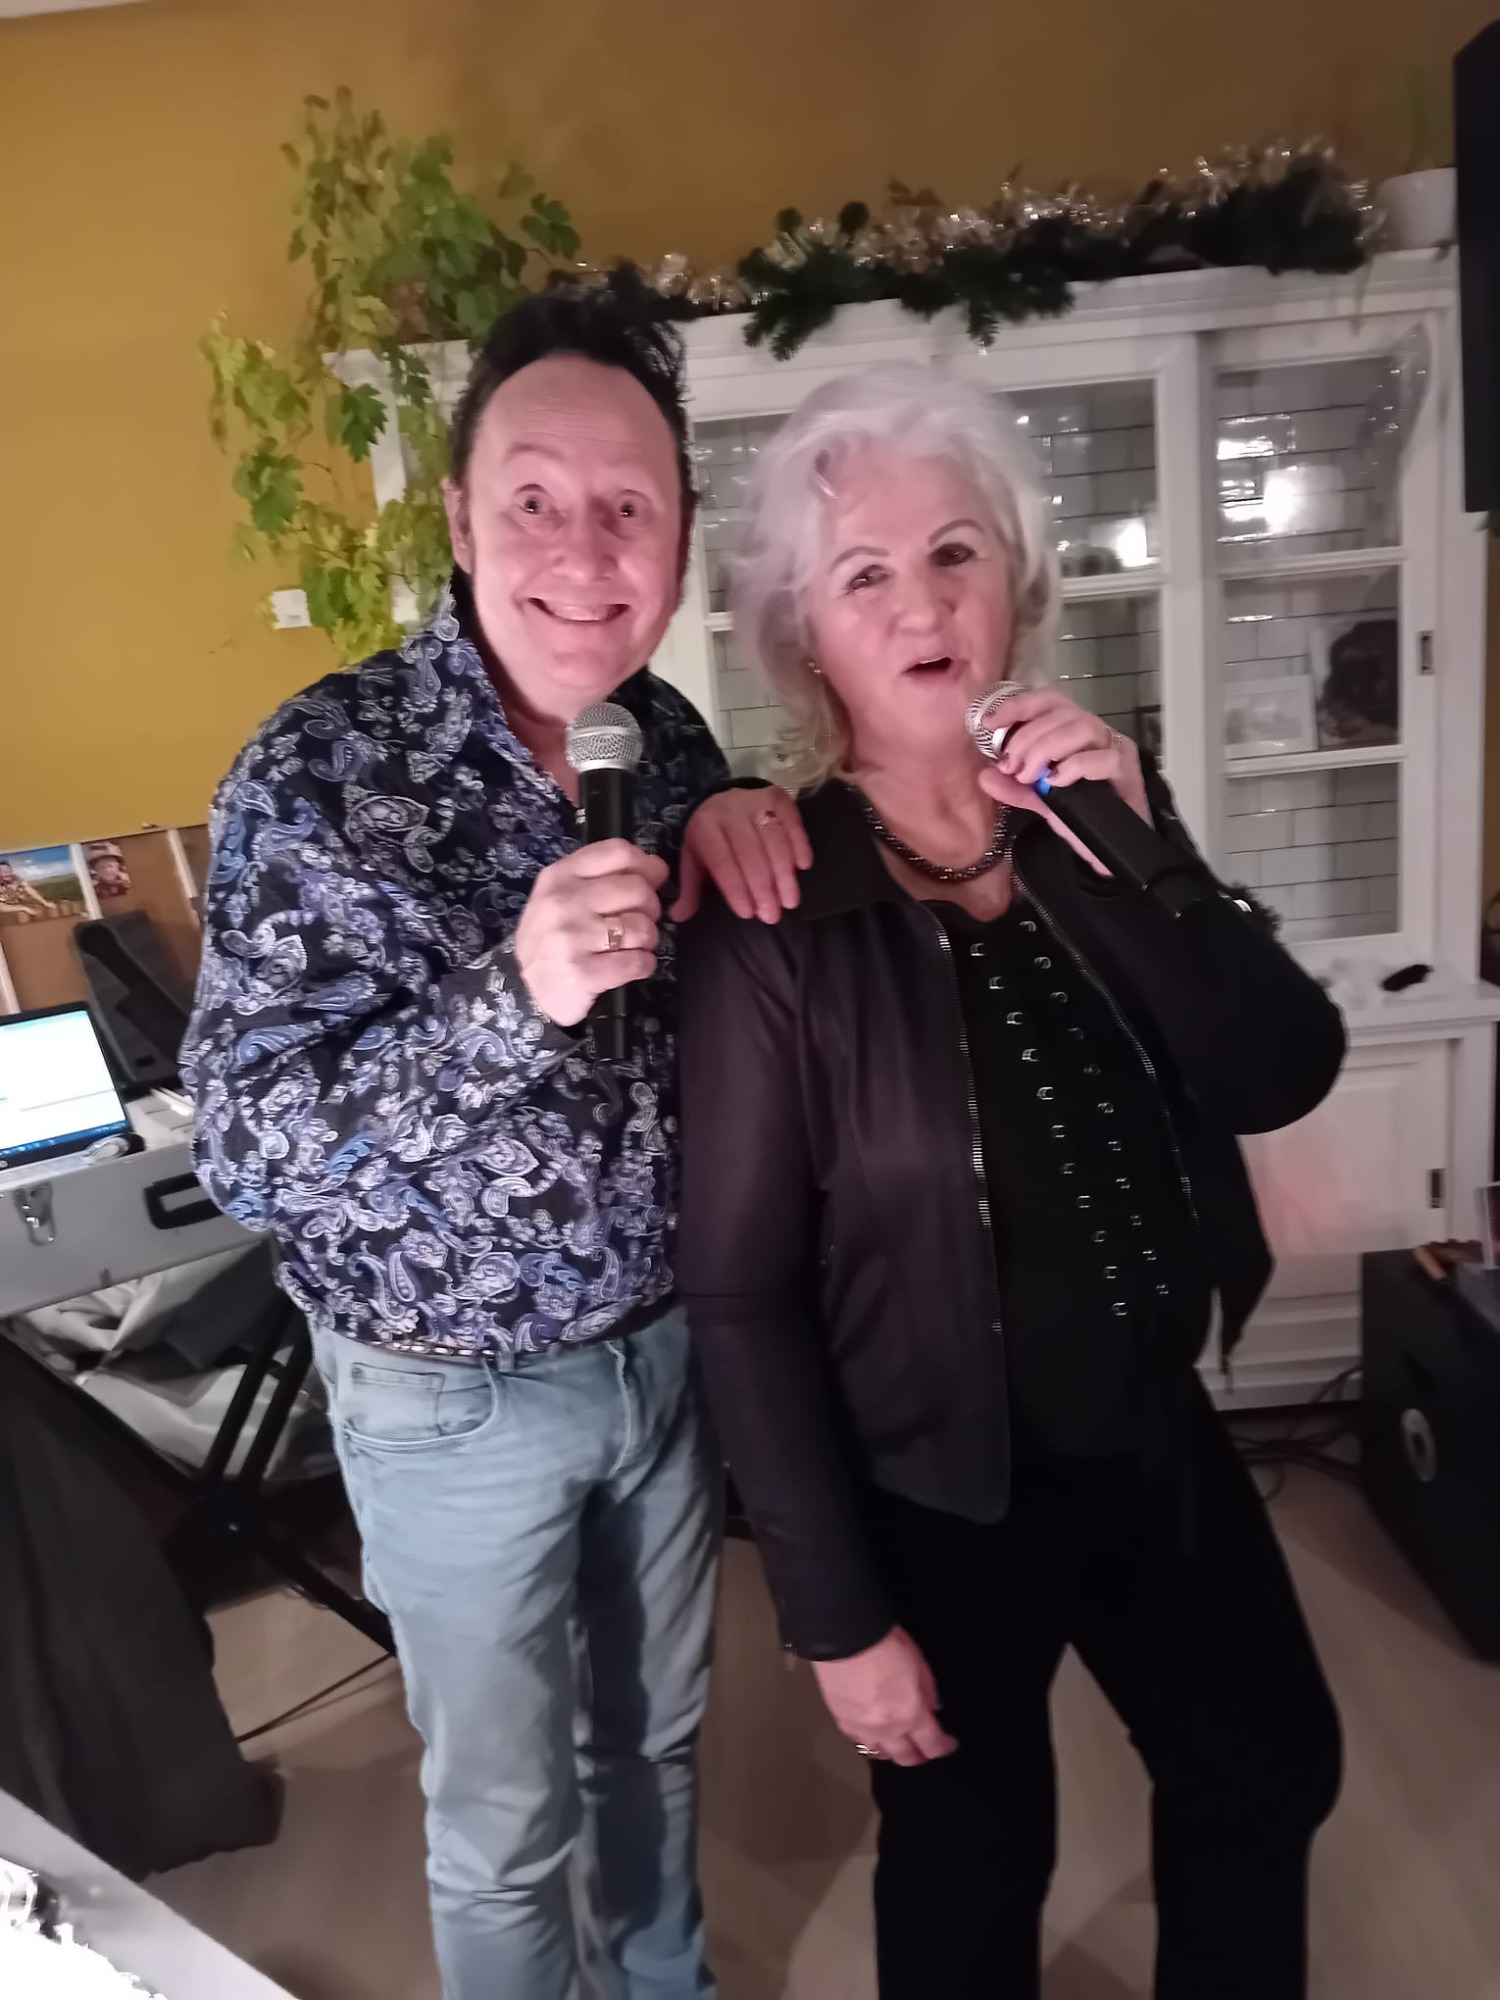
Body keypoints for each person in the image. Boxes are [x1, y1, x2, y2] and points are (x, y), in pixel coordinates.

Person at [676, 366, 1347, 2000]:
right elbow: (740, 1294)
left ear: (1017, 584)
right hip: (940, 1495)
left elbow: (1275, 1068)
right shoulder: (777, 907)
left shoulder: (1095, 817)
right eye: (865, 575)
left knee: (1268, 1765)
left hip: (1155, 1439)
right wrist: (835, 1613)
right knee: (975, 1865)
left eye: (955, 554)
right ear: (807, 639)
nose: (923, 604)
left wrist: (1131, 846)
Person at [181, 290, 809, 2000]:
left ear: (678, 539)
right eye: (534, 500)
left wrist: (740, 812)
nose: (583, 555)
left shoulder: (662, 743)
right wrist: (511, 996)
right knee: (506, 1822)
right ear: (460, 519)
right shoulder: (317, 773)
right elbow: (243, 1146)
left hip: (664, 1359)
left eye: (629, 508)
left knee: (656, 1750)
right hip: (449, 1400)